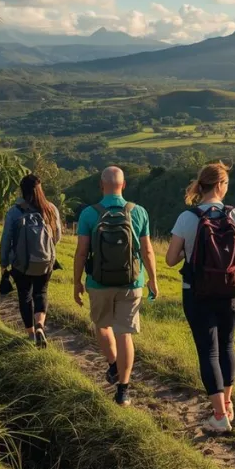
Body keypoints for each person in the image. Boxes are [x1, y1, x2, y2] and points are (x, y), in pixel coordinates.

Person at [166, 162, 235, 433]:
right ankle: (227, 404)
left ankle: (219, 415)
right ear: (220, 185)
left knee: (208, 350)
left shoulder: (187, 218)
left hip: (197, 293)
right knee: (227, 345)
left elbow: (170, 259)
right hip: (232, 291)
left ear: (202, 185)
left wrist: (189, 250)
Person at [73, 166, 159, 407]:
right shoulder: (139, 212)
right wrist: (152, 278)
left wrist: (76, 282)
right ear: (124, 186)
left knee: (102, 326)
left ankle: (113, 364)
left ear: (101, 186)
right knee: (125, 334)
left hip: (98, 282)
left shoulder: (89, 214)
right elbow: (147, 250)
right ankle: (123, 390)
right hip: (131, 282)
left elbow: (81, 253)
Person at [0, 174, 62, 348]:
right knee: (41, 292)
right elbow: (57, 237)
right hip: (46, 262)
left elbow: (6, 239)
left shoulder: (15, 211)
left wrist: (4, 263)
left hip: (21, 264)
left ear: (22, 190)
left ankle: (31, 334)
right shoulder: (51, 209)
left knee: (25, 296)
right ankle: (40, 325)